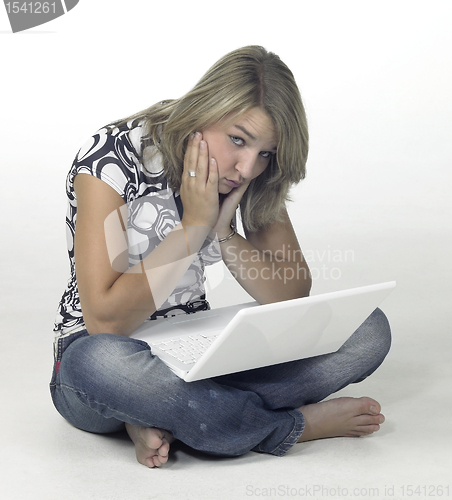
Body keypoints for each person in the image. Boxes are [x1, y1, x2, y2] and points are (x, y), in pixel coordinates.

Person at [50, 45, 391, 468]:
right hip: (107, 354)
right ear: (203, 110)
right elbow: (106, 321)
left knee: (366, 328)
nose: (247, 167)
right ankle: (288, 426)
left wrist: (223, 230)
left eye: (265, 152)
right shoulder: (112, 157)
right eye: (238, 140)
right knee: (95, 364)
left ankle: (166, 413)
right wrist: (192, 227)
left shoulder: (249, 173)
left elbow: (289, 296)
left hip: (199, 351)